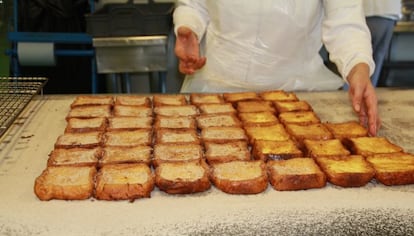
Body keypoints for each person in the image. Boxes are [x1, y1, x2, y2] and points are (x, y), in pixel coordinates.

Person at [173, 0, 380, 136]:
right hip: (216, 90)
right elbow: (193, 4)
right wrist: (189, 25)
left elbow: (344, 22)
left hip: (295, 99)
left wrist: (357, 67)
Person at [363, 0, 402, 87]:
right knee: (375, 63)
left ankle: (353, 96)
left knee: (354, 62)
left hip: (365, 10)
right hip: (389, 11)